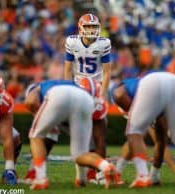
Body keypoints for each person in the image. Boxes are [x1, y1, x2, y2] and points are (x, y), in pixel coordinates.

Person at [110, 76, 175, 185]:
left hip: (156, 86)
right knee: (150, 135)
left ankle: (143, 175)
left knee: (138, 134)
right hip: (174, 84)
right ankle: (142, 175)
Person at [27, 78, 118, 190]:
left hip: (58, 95)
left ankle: (40, 179)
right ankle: (105, 167)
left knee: (36, 136)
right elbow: (100, 138)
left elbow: (30, 102)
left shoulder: (39, 88)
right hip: (85, 100)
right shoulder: (86, 90)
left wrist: (50, 125)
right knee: (80, 154)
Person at [64, 13, 112, 182]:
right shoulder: (72, 42)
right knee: (81, 129)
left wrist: (103, 94)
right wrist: (67, 89)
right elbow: (68, 69)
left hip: (96, 87)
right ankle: (87, 171)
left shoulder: (104, 43)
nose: (92, 30)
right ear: (80, 28)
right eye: (88, 26)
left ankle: (99, 172)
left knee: (101, 129)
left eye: (94, 27)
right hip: (79, 88)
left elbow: (107, 72)